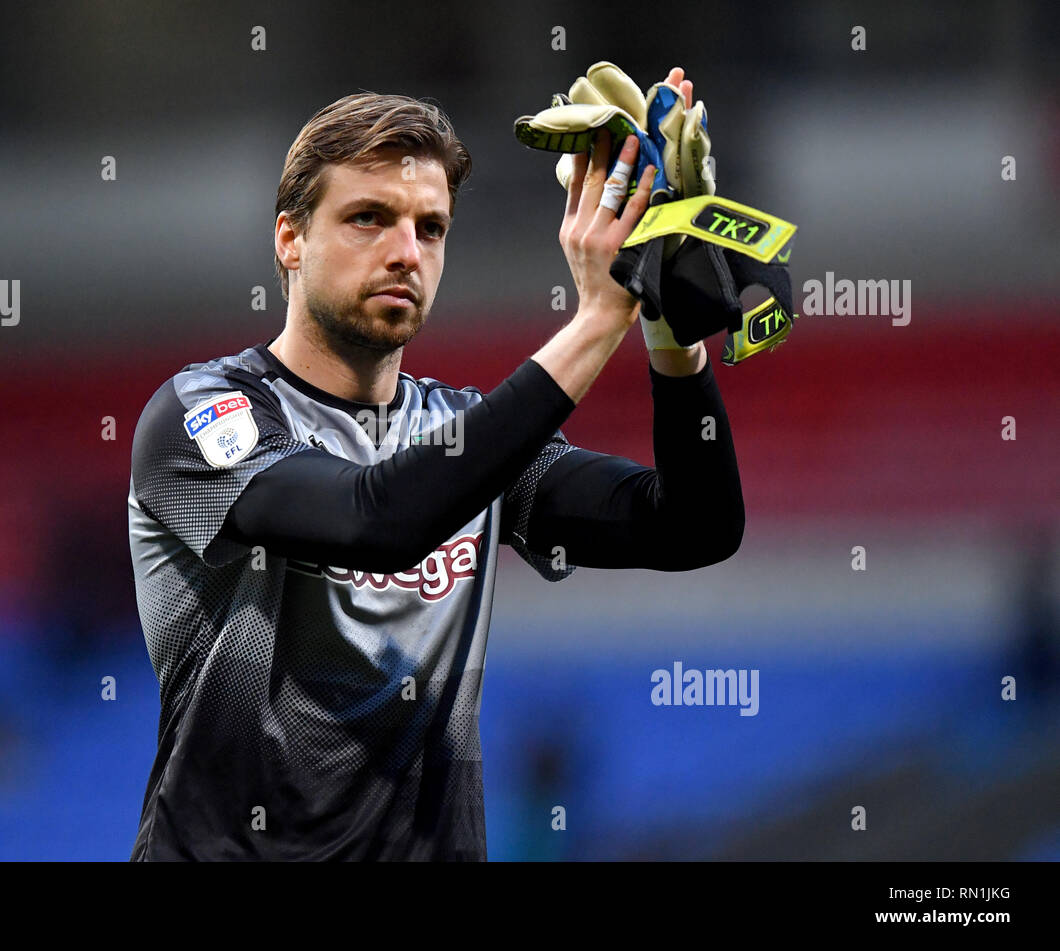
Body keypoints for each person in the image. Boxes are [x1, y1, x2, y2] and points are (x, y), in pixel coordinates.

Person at [127, 72, 743, 861]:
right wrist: (598, 317)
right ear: (289, 238)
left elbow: (695, 526)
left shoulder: (458, 432)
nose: (404, 252)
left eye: (430, 227)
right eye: (368, 219)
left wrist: (670, 330)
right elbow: (376, 520)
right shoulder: (201, 413)